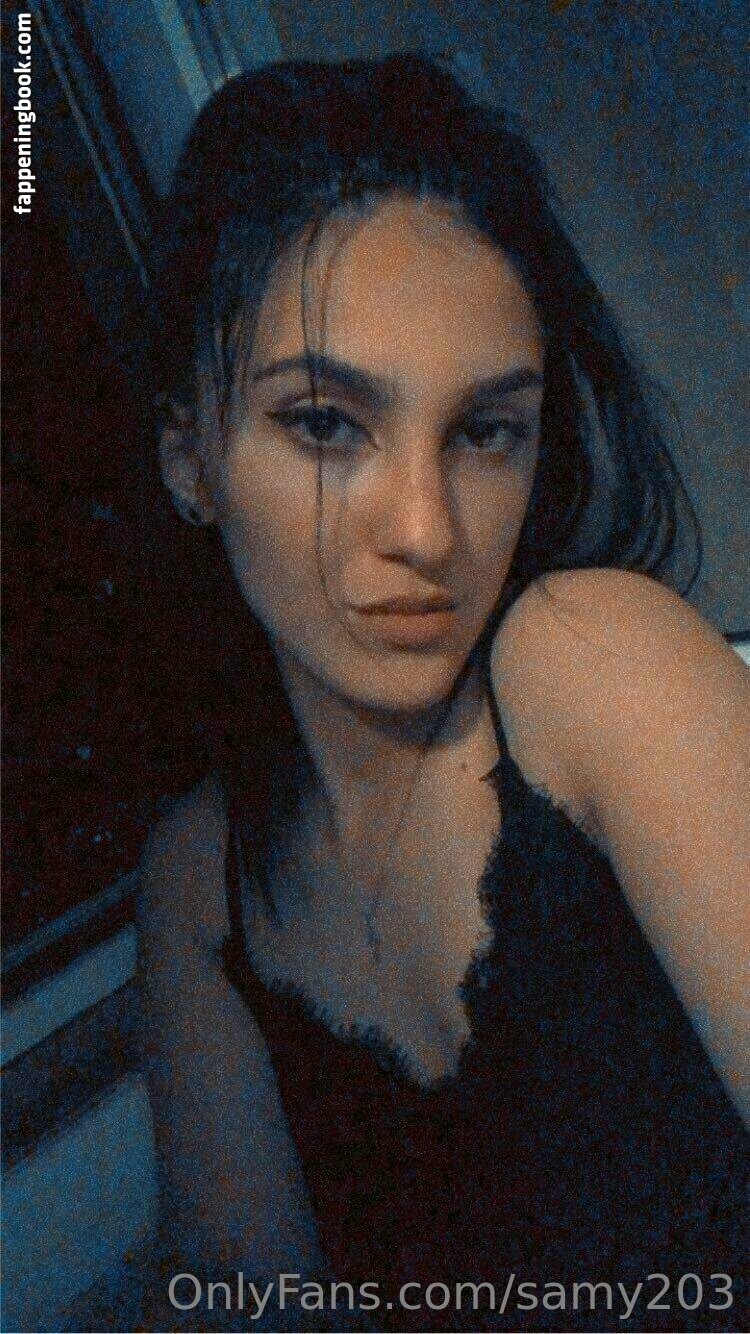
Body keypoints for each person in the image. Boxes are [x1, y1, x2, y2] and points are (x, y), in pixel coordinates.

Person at [136, 52, 749, 1332]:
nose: (427, 529)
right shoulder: (201, 880)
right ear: (190, 453)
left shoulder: (594, 664)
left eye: (484, 430)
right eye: (325, 423)